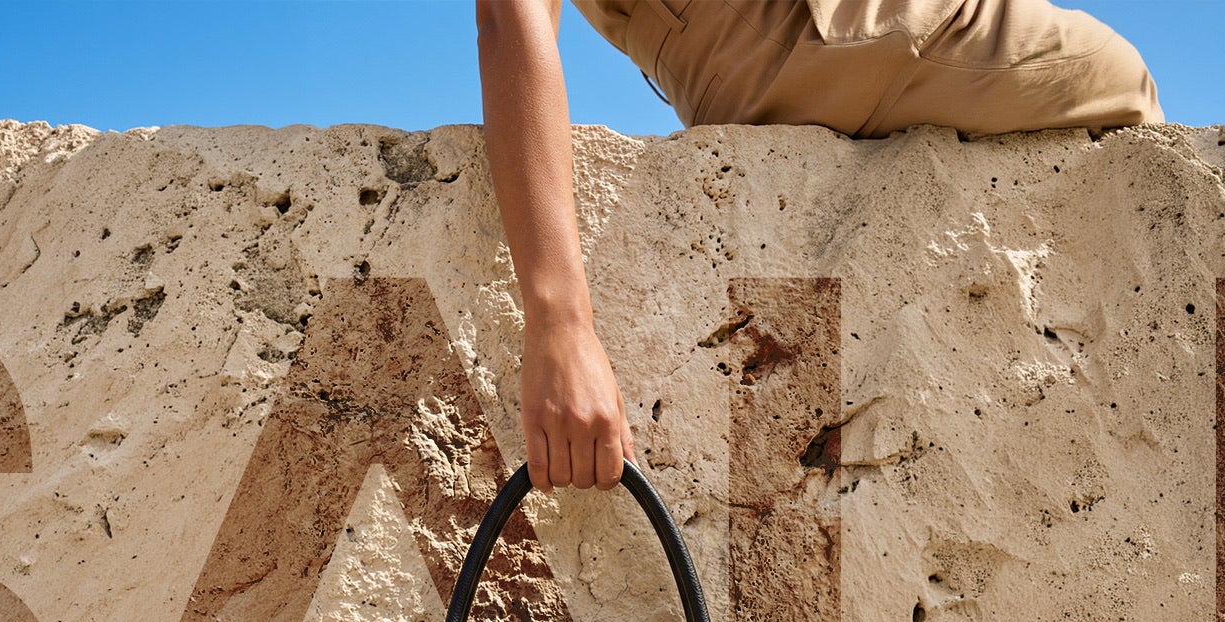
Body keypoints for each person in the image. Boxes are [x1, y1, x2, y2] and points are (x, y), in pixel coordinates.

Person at [475, 0, 1161, 493]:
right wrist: (559, 327)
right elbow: (509, 20)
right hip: (801, 28)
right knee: (1120, 75)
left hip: (736, 55)